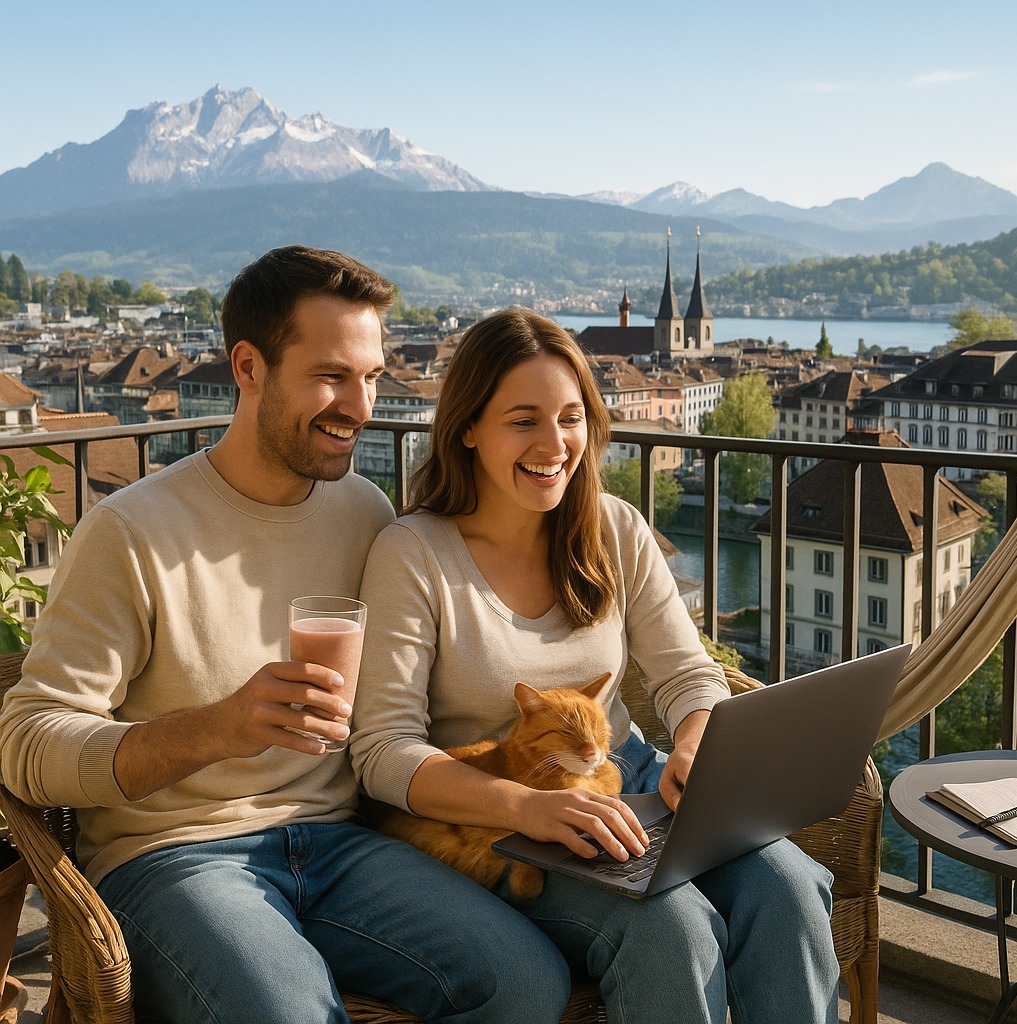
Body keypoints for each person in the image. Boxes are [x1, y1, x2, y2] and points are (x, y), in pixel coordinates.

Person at [0, 251, 571, 1024]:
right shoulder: (130, 532)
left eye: (372, 377)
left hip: (339, 844)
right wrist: (217, 729)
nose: (360, 406)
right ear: (248, 368)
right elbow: (27, 746)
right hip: (172, 856)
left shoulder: (366, 513)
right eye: (332, 376)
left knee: (528, 984)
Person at [350, 307, 841, 1024]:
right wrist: (526, 806)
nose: (555, 444)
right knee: (670, 928)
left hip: (629, 781)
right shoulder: (413, 555)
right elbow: (382, 751)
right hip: (493, 820)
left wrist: (695, 742)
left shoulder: (613, 527)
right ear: (468, 428)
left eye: (571, 418)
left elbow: (687, 674)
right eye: (524, 420)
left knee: (790, 891)